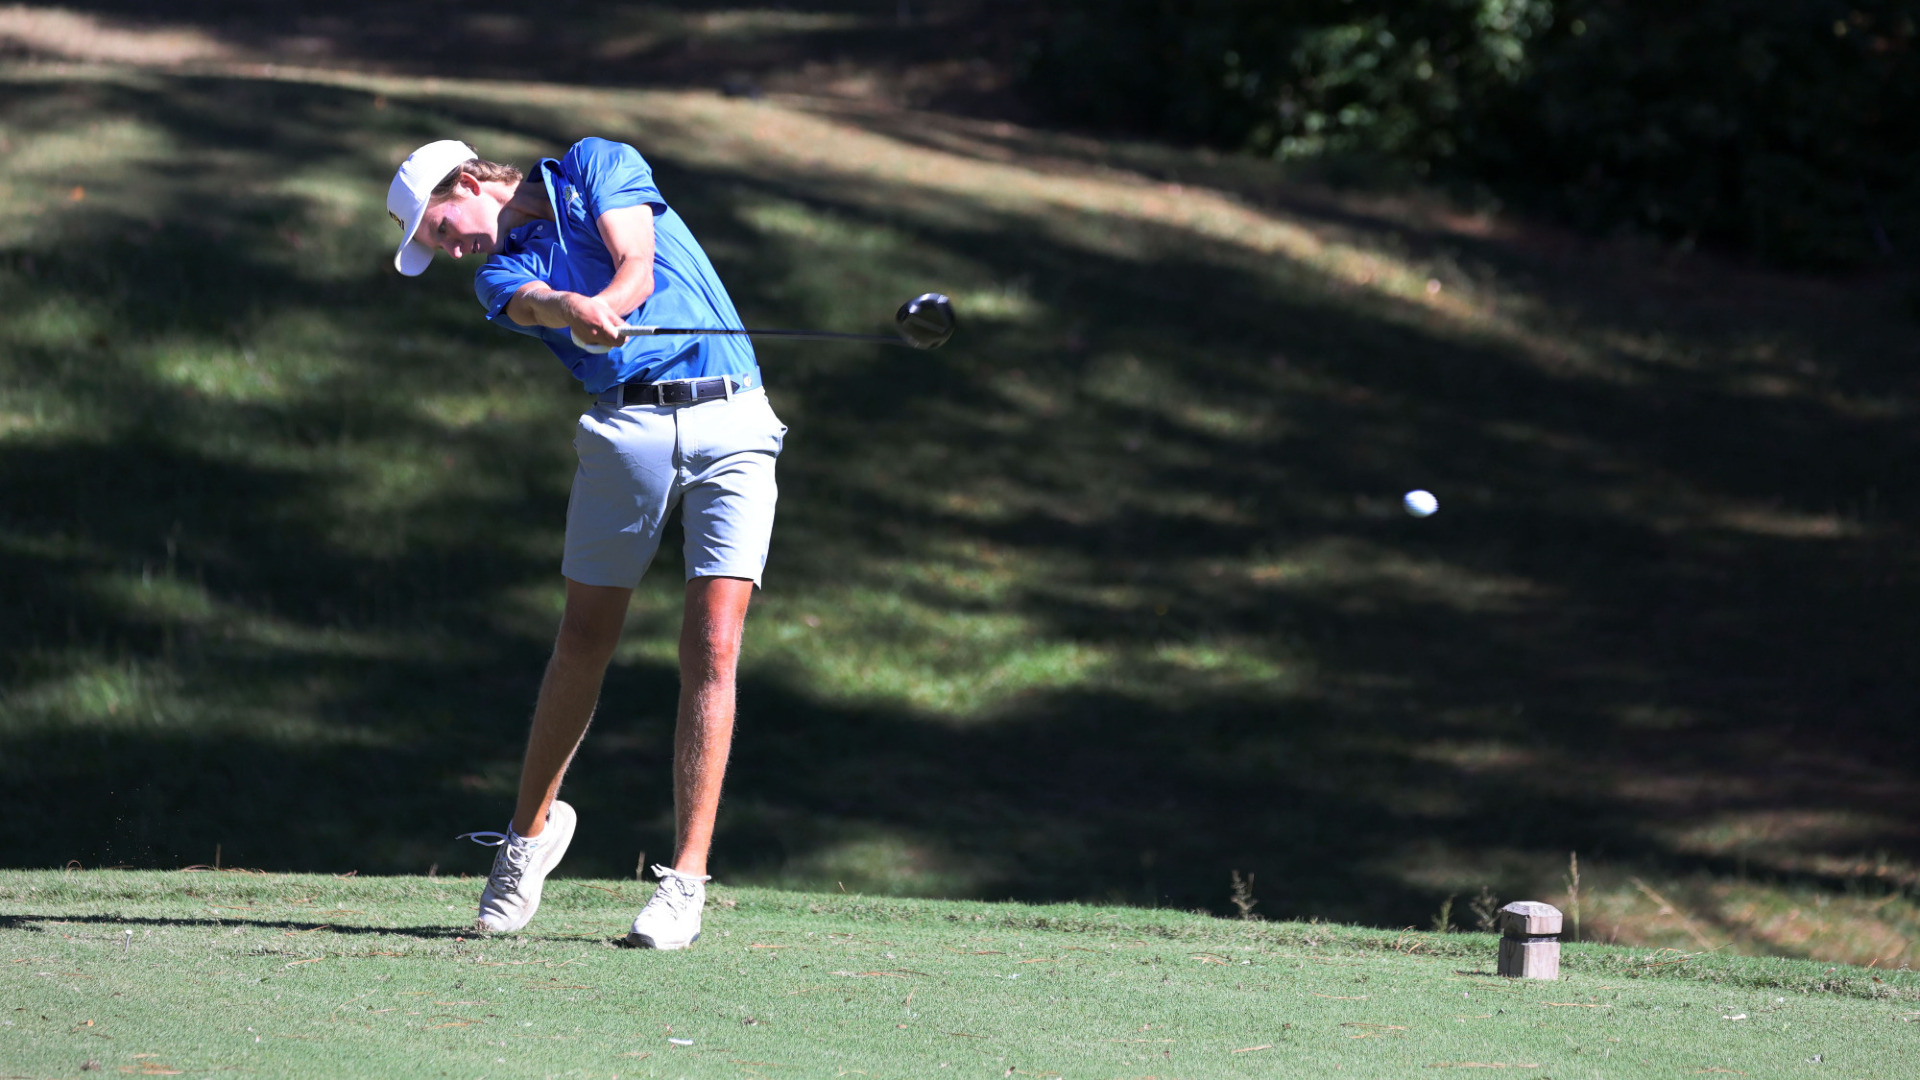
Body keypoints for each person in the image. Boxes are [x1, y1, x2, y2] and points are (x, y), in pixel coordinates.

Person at [385, 137, 786, 949]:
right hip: (627, 430)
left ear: (467, 182)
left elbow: (635, 261)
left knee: (714, 645)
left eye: (440, 225)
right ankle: (526, 841)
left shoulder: (596, 163)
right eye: (436, 246)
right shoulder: (497, 274)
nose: (451, 247)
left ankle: (686, 882)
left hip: (736, 419)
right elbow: (532, 302)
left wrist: (609, 301)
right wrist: (571, 311)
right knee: (583, 641)